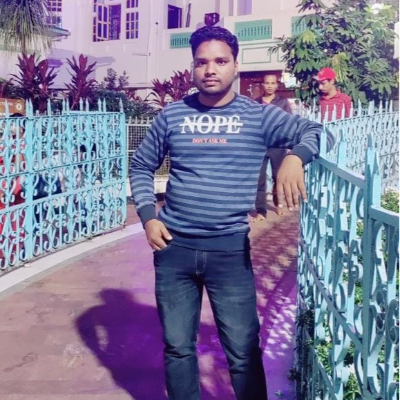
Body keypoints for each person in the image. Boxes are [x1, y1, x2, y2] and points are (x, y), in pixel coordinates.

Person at [130, 26, 334, 400]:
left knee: (242, 352)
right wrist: (148, 216)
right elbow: (141, 165)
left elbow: (320, 132)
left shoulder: (258, 116)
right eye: (202, 62)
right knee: (178, 348)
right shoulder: (172, 116)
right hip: (174, 250)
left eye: (221, 61)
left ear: (236, 66)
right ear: (193, 67)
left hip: (229, 252)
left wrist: (295, 157)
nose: (211, 69)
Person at [252, 74, 292, 222]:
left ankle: (279, 203)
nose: (269, 86)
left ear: (276, 85)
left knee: (278, 176)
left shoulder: (282, 103)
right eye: (267, 83)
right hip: (260, 145)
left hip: (277, 145)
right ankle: (261, 211)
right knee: (259, 179)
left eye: (272, 83)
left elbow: (288, 121)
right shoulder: (255, 103)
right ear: (263, 85)